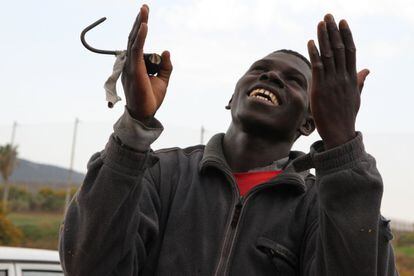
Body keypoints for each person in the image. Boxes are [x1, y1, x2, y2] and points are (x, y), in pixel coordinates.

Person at [59, 4, 397, 276]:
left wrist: (342, 147)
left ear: (310, 122)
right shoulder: (161, 174)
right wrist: (133, 127)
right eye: (260, 69)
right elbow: (87, 265)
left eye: (294, 80)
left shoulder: (319, 206)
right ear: (231, 99)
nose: (271, 76)